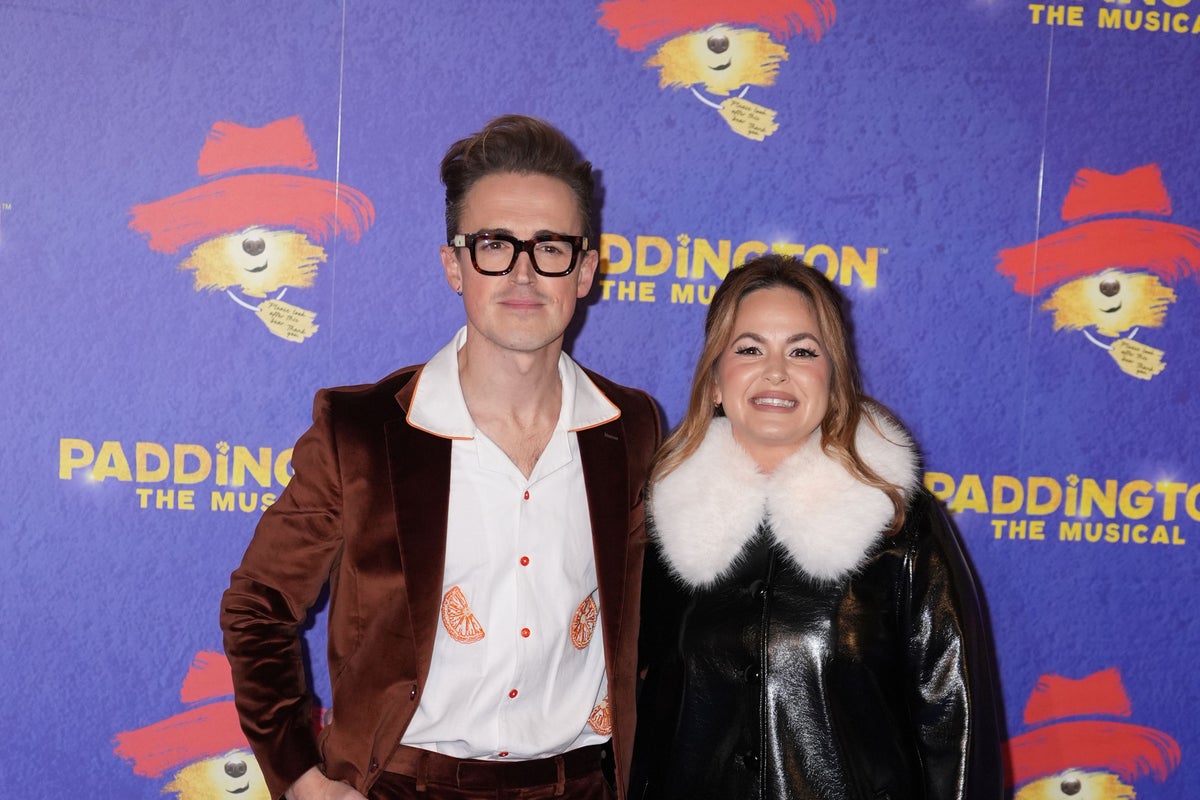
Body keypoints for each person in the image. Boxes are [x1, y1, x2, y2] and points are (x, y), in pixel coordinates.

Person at [220, 114, 661, 800]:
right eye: (494, 245)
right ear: (454, 265)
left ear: (584, 271)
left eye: (550, 247)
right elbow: (259, 605)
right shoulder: (363, 432)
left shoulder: (629, 429)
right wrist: (301, 777)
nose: (522, 272)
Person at [632, 254, 1003, 799]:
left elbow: (954, 725)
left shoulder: (897, 520)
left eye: (803, 351)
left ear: (834, 380)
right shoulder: (661, 522)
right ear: (714, 382)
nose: (775, 371)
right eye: (749, 349)